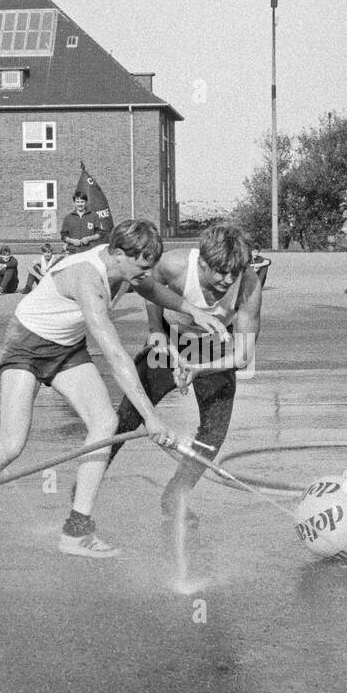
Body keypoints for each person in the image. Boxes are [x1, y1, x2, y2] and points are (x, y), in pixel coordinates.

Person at [0, 218, 231, 556]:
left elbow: (151, 288)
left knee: (105, 424)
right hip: (26, 346)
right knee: (10, 446)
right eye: (140, 267)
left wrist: (193, 310)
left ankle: (76, 530)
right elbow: (115, 354)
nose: (146, 273)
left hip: (66, 349)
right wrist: (151, 417)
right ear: (118, 253)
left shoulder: (126, 269)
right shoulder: (88, 278)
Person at [105, 223, 262, 526]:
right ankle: (86, 488)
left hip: (215, 348)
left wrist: (200, 369)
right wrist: (155, 331)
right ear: (202, 262)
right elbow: (149, 287)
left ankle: (175, 496)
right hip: (171, 337)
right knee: (126, 417)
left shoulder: (248, 285)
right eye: (219, 272)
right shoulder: (174, 264)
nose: (227, 281)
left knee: (213, 436)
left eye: (234, 273)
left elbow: (243, 356)